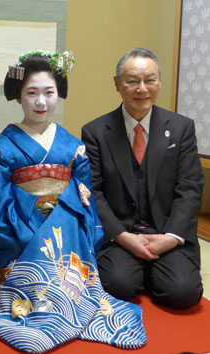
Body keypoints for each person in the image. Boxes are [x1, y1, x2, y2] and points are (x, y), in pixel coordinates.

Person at [0, 51, 146, 353]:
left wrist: (78, 237)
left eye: (49, 93)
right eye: (31, 93)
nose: (41, 102)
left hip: (68, 240)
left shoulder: (73, 145)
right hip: (21, 237)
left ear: (59, 95)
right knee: (34, 294)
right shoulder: (4, 146)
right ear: (18, 97)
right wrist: (31, 239)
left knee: (71, 287)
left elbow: (85, 198)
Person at [81, 48, 205, 309]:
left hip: (168, 232)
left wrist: (170, 237)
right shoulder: (95, 132)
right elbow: (94, 192)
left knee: (182, 293)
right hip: (122, 235)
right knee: (117, 285)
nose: (142, 89)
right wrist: (123, 237)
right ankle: (142, 271)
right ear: (117, 84)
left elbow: (190, 188)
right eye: (132, 81)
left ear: (159, 82)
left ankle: (154, 271)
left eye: (150, 80)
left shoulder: (181, 128)